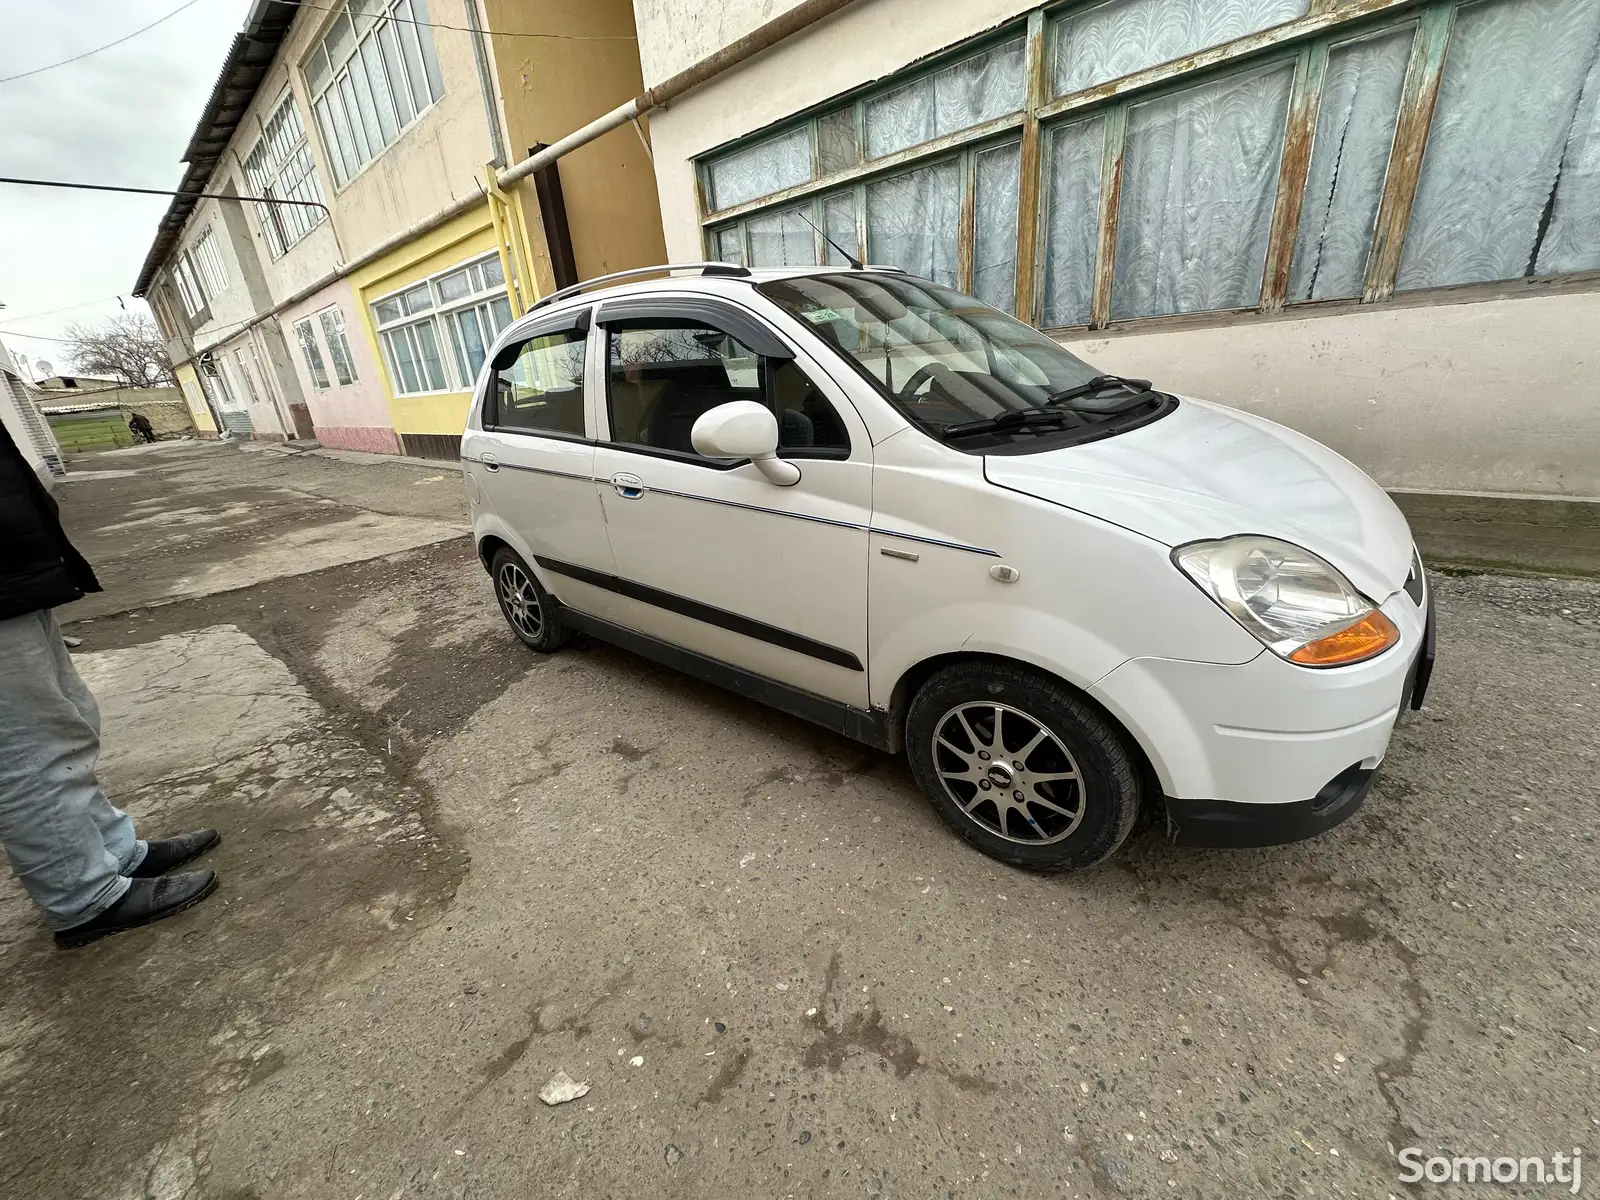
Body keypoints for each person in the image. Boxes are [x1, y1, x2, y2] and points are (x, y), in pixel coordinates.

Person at [0, 418, 219, 948]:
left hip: (13, 575)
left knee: (69, 720)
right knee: (30, 749)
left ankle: (113, 853)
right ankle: (84, 897)